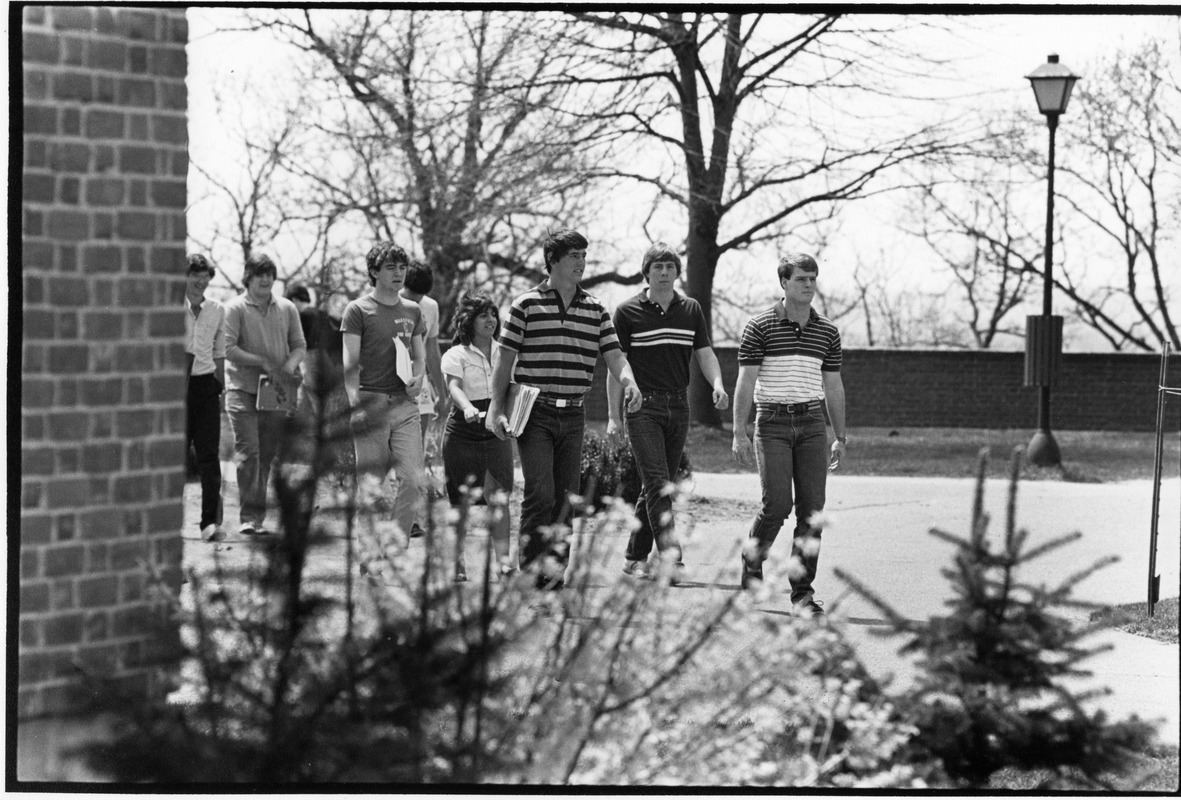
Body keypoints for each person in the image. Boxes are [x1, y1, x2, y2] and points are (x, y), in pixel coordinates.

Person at [486, 228, 643, 590]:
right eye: (574, 256)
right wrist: (496, 408)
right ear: (553, 261)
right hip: (534, 411)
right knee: (539, 492)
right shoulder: (525, 305)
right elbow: (504, 358)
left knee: (565, 499)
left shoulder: (596, 308)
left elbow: (615, 355)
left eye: (584, 256)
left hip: (574, 413)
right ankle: (529, 574)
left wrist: (629, 381)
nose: (581, 263)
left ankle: (553, 578)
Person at [731, 253, 847, 618]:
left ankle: (802, 595)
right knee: (777, 505)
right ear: (784, 283)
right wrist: (739, 431)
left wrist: (840, 435)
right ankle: (752, 563)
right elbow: (746, 381)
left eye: (813, 278)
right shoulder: (760, 326)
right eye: (801, 279)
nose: (809, 285)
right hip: (773, 423)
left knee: (812, 512)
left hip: (812, 423)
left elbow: (833, 384)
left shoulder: (826, 331)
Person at [607, 243, 729, 584]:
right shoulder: (627, 311)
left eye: (669, 267)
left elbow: (704, 353)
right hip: (642, 407)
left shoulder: (690, 309)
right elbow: (616, 365)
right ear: (646, 272)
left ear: (677, 273)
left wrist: (717, 384)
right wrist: (614, 417)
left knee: (658, 485)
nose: (664, 272)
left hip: (679, 405)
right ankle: (671, 559)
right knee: (659, 484)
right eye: (657, 267)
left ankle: (633, 557)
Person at [342, 242, 428, 543]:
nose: (399, 273)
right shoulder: (357, 310)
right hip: (370, 403)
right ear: (374, 271)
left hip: (405, 405)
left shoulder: (413, 310)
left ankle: (393, 547)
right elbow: (350, 366)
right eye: (391, 267)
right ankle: (368, 558)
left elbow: (419, 356)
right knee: (371, 485)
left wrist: (419, 378)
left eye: (402, 267)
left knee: (415, 480)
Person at [223, 253, 308, 536]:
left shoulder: (287, 308)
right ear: (248, 277)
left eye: (269, 274)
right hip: (242, 389)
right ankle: (249, 517)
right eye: (259, 274)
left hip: (275, 390)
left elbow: (299, 346)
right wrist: (261, 362)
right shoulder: (234, 308)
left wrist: (286, 368)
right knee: (249, 452)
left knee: (267, 453)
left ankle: (257, 517)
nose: (265, 279)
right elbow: (228, 349)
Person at [440, 294, 515, 582]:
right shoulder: (455, 354)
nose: (491, 320)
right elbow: (454, 387)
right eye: (483, 315)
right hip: (463, 431)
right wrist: (468, 406)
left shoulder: (506, 352)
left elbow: (513, 387)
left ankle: (504, 562)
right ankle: (457, 563)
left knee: (499, 498)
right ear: (468, 321)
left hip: (496, 430)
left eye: (493, 315)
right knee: (460, 501)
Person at [400, 261, 447, 537]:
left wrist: (441, 391)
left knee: (414, 453)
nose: (415, 299)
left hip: (420, 385)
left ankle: (411, 518)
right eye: (411, 293)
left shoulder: (430, 307)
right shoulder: (385, 302)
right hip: (387, 383)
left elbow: (432, 350)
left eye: (420, 294)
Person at [183, 254, 227, 543]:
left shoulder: (217, 309)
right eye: (195, 275)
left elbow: (219, 350)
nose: (200, 281)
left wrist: (219, 387)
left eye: (205, 276)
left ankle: (209, 522)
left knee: (209, 456)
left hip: (206, 386)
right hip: (177, 387)